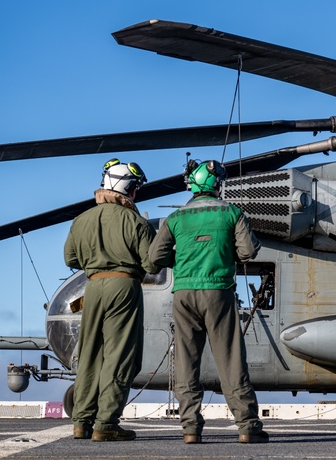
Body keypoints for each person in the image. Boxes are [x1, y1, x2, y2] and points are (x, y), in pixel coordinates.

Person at [148, 160, 269, 445]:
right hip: (218, 292)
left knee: (187, 361)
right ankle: (247, 426)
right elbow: (249, 251)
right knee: (230, 359)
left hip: (184, 294)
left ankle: (190, 428)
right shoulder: (231, 212)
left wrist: (180, 260)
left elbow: (154, 259)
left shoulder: (176, 218)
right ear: (215, 185)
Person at [64, 158, 158, 442]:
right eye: (135, 188)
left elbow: (70, 258)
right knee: (120, 356)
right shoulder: (136, 221)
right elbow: (152, 264)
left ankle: (81, 422)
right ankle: (106, 423)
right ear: (127, 188)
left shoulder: (81, 220)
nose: (136, 194)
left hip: (92, 287)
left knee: (90, 353)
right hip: (124, 286)